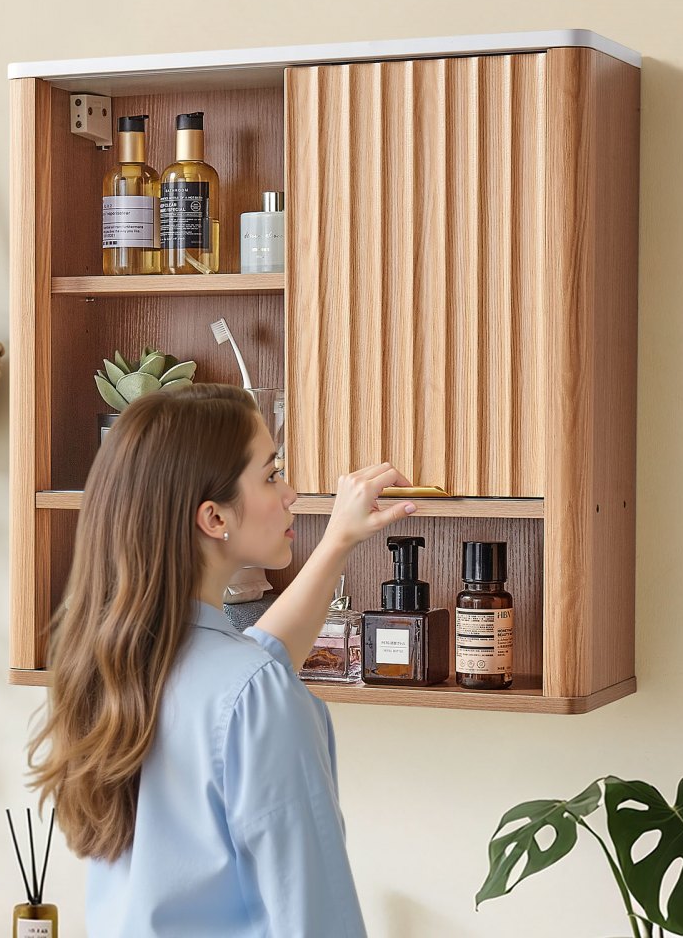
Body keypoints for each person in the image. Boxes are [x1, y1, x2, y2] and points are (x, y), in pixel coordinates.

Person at [28, 383, 416, 937]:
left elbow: (256, 661)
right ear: (213, 518)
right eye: (271, 474)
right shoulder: (251, 694)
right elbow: (314, 918)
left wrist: (338, 542)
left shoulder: (107, 662)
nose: (292, 494)